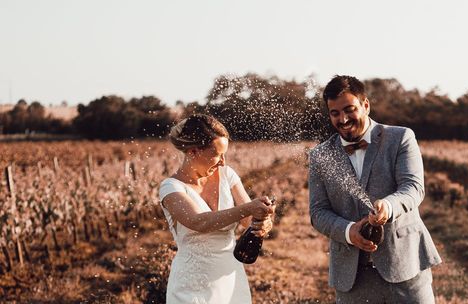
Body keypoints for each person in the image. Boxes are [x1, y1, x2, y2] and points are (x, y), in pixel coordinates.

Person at [308, 75, 442, 303]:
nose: (343, 119)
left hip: (404, 265)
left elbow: (413, 187)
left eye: (349, 110)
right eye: (335, 113)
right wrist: (348, 231)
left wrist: (389, 206)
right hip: (352, 277)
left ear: (366, 105)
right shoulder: (320, 155)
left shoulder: (400, 138)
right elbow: (318, 212)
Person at [159, 113, 276, 304]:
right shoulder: (171, 187)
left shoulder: (227, 174)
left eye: (224, 154)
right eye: (216, 155)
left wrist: (263, 219)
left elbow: (248, 221)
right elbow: (200, 221)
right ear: (192, 152)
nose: (223, 161)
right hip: (191, 285)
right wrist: (249, 208)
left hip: (230, 279)